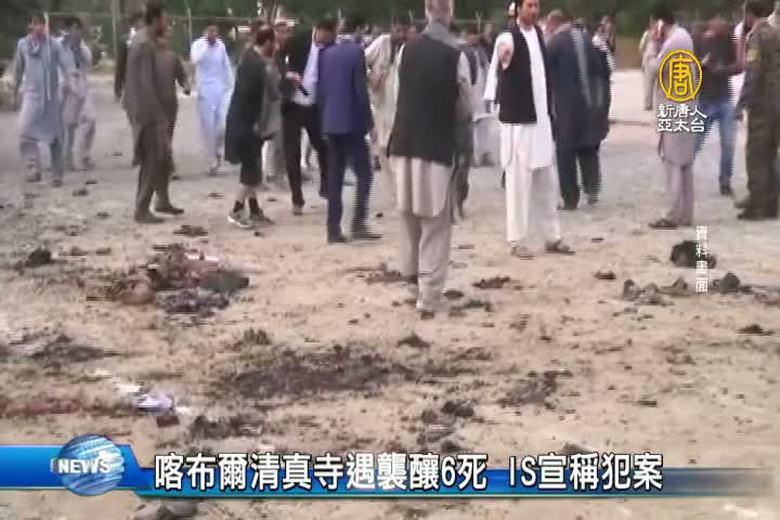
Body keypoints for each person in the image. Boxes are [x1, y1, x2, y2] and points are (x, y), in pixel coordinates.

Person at [389, 0, 473, 316]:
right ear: (450, 12)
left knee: (408, 218)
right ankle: (430, 294)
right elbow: (466, 107)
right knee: (436, 223)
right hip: (437, 147)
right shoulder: (456, 56)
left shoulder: (405, 51)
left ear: (425, 12)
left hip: (403, 143)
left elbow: (397, 95)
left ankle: (411, 285)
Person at [490, 0, 574, 259]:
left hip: (541, 121)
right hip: (518, 123)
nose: (534, 10)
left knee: (546, 183)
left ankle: (552, 236)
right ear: (518, 9)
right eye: (529, 6)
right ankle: (516, 239)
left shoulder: (539, 35)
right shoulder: (507, 38)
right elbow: (498, 69)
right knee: (518, 184)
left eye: (536, 6)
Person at [318, 15, 380, 244]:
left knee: (335, 176)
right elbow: (360, 91)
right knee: (364, 174)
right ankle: (358, 221)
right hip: (351, 122)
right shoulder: (356, 52)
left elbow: (322, 91)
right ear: (360, 30)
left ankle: (333, 228)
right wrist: (370, 123)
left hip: (332, 121)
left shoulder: (326, 53)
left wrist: (323, 121)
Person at [125, 0, 183, 223]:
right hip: (147, 112)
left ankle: (154, 202)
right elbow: (145, 85)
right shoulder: (145, 45)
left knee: (157, 158)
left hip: (145, 109)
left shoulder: (142, 41)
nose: (166, 23)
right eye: (164, 19)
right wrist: (158, 117)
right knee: (152, 159)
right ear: (156, 19)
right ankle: (142, 209)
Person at [548, 9, 611, 210]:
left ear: (554, 23)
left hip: (565, 107)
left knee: (565, 154)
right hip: (590, 104)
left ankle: (570, 198)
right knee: (588, 147)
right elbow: (602, 73)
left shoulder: (555, 44)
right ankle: (592, 189)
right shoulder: (588, 40)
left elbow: (546, 78)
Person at [647, 3, 698, 229]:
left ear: (659, 22)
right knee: (684, 162)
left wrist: (651, 47)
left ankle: (672, 214)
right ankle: (686, 213)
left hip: (673, 105)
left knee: (673, 161)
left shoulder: (673, 42)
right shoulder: (684, 37)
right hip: (685, 103)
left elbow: (654, 69)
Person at [278, 19, 335, 216]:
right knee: (292, 152)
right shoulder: (299, 37)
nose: (325, 41)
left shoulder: (331, 48)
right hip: (292, 103)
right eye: (325, 37)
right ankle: (297, 198)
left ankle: (326, 186)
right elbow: (278, 56)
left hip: (314, 105)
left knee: (323, 146)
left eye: (330, 38)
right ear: (318, 30)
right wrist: (288, 73)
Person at [224, 26, 275, 228]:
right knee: (250, 168)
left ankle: (253, 209)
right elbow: (248, 96)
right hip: (246, 123)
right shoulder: (255, 64)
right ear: (268, 42)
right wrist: (254, 123)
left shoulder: (251, 59)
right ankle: (237, 209)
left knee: (251, 165)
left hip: (243, 121)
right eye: (274, 43)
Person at [14, 12, 71, 188]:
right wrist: (15, 89)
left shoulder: (53, 45)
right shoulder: (23, 45)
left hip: (51, 96)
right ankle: (33, 168)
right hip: (32, 95)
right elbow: (18, 68)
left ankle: (57, 174)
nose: (39, 27)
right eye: (35, 23)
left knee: (55, 135)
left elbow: (65, 64)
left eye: (42, 23)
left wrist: (69, 80)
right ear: (30, 25)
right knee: (25, 130)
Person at [735, 0, 780, 220]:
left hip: (762, 103)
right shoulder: (775, 33)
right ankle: (771, 203)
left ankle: (758, 205)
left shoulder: (756, 36)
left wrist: (741, 103)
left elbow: (753, 73)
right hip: (777, 101)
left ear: (750, 14)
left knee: (756, 154)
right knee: (771, 153)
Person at [694, 16, 739, 197]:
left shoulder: (728, 41)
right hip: (704, 99)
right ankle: (682, 177)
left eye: (724, 26)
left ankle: (725, 182)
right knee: (695, 142)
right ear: (711, 24)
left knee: (728, 145)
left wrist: (724, 69)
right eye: (719, 25)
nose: (723, 28)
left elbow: (738, 66)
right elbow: (689, 66)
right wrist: (701, 64)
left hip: (725, 98)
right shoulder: (698, 40)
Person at [365, 20, 409, 200]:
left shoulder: (407, 48)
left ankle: (401, 189)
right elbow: (362, 60)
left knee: (398, 147)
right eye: (398, 30)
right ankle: (394, 190)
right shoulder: (382, 43)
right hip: (382, 103)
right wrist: (372, 77)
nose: (400, 34)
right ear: (392, 29)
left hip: (401, 104)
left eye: (403, 31)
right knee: (383, 146)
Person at [191, 21, 234, 176]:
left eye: (215, 31)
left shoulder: (220, 45)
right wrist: (206, 45)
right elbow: (195, 59)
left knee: (222, 124)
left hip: (220, 88)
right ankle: (211, 162)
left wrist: (231, 85)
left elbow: (226, 65)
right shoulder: (198, 45)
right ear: (205, 31)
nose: (213, 34)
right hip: (205, 90)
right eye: (210, 31)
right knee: (208, 127)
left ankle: (218, 154)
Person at [59, 16, 96, 173]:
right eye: (74, 29)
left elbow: (89, 61)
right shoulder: (58, 46)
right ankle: (66, 158)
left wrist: (80, 48)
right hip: (65, 88)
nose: (77, 32)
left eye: (79, 29)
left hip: (81, 86)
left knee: (90, 120)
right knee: (69, 126)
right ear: (67, 30)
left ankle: (84, 155)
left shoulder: (82, 47)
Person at [157, 25, 191, 176]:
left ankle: (166, 167)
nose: (166, 41)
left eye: (168, 38)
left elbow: (181, 76)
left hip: (169, 102)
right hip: (153, 102)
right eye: (164, 37)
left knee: (167, 135)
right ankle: (166, 167)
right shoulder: (149, 57)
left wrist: (186, 86)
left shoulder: (172, 57)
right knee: (159, 136)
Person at [115, 11, 144, 166]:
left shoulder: (148, 39)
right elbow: (120, 65)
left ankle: (142, 152)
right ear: (134, 23)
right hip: (131, 86)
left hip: (146, 85)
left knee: (144, 121)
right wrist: (118, 87)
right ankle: (138, 152)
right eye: (140, 22)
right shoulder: (126, 41)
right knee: (135, 121)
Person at [639, 17, 659, 111]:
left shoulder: (647, 34)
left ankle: (648, 104)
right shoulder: (663, 34)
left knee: (648, 84)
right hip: (660, 59)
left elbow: (641, 46)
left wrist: (643, 58)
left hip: (649, 59)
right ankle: (660, 103)